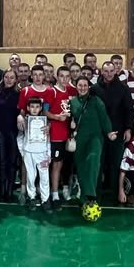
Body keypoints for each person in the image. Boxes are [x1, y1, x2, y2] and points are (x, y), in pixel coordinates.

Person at [90, 61, 133, 195]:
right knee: (98, 162)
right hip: (99, 132)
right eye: (106, 71)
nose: (109, 74)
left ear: (115, 71)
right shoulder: (94, 89)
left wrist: (128, 128)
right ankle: (95, 192)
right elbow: (91, 111)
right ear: (101, 72)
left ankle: (115, 192)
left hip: (118, 131)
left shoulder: (123, 88)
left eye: (111, 71)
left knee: (115, 163)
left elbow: (129, 109)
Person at [71, 76, 113, 209]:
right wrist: (71, 125)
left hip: (95, 138)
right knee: (81, 167)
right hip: (79, 139)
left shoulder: (96, 101)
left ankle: (91, 195)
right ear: (76, 86)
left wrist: (109, 132)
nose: (82, 88)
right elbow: (69, 119)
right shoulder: (72, 102)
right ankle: (84, 197)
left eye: (85, 85)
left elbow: (104, 117)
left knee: (93, 160)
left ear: (89, 87)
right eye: (80, 85)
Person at [46, 66, 76, 210]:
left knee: (64, 164)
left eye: (67, 76)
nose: (64, 79)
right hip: (56, 134)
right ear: (57, 77)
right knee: (56, 165)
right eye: (62, 76)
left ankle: (61, 189)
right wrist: (57, 117)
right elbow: (44, 111)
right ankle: (54, 194)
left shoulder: (70, 91)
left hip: (67, 134)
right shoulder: (52, 91)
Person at [18, 97, 52, 212]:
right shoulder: (24, 121)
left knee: (44, 177)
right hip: (29, 153)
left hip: (42, 153)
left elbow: (48, 138)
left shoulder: (45, 121)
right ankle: (32, 197)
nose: (34, 109)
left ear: (41, 108)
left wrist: (48, 154)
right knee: (31, 177)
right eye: (32, 107)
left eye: (37, 107)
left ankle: (45, 199)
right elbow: (20, 137)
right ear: (28, 108)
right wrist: (22, 152)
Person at [0, 69, 20, 202]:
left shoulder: (19, 94)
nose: (9, 80)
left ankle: (9, 191)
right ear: (3, 78)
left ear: (15, 80)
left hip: (13, 132)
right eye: (6, 77)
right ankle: (1, 190)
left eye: (12, 77)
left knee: (12, 162)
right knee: (1, 162)